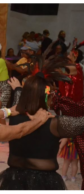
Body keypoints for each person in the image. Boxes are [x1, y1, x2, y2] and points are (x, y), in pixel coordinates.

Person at [0, 56, 84, 191]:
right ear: (48, 97)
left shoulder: (15, 117)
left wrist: (17, 89)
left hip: (14, 181)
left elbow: (18, 102)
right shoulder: (55, 124)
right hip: (46, 184)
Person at [52, 42, 84, 190]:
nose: (68, 56)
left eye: (70, 54)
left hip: (75, 111)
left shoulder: (77, 68)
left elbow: (61, 70)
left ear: (76, 56)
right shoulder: (66, 71)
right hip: (66, 110)